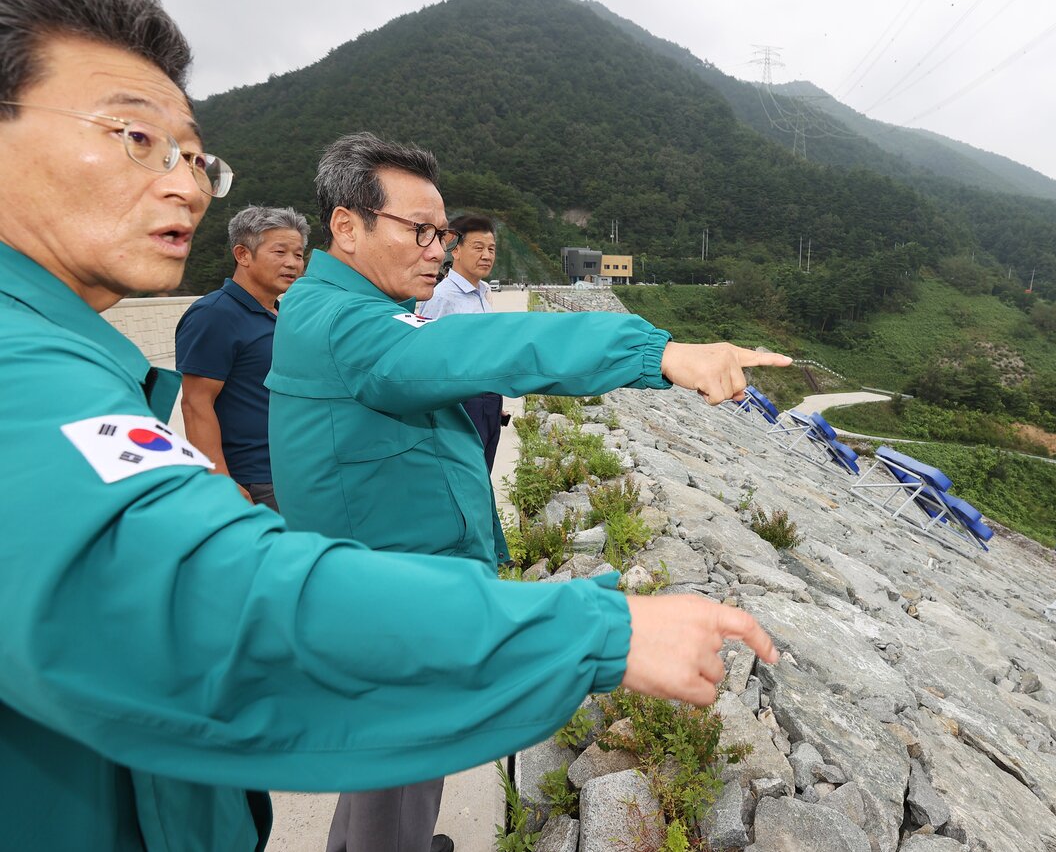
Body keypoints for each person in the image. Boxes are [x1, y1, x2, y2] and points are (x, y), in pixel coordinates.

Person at [0, 0, 783, 852]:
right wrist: (599, 622)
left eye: (192, 155)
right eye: (137, 138)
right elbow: (203, 594)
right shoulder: (319, 325)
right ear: (346, 227)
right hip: (382, 591)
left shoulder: (90, 345)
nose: (184, 184)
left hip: (391, 593)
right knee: (391, 784)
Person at [268, 132, 789, 852]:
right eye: (419, 231)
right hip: (395, 603)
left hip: (398, 582)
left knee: (389, 771)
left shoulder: (344, 306)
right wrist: (657, 353)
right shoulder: (341, 322)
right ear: (347, 226)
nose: (438, 250)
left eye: (442, 234)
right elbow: (480, 348)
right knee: (397, 770)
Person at [175, 205, 308, 509]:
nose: (292, 263)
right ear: (243, 254)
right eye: (280, 252)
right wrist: (219, 479)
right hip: (255, 479)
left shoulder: (282, 313)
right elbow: (196, 403)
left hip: (292, 470)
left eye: (299, 254)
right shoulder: (214, 314)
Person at [418, 214, 506, 471]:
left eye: (491, 249)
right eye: (478, 247)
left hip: (489, 399)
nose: (487, 255)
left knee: (483, 474)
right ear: (455, 250)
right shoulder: (441, 297)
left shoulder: (483, 292)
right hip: (461, 403)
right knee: (464, 474)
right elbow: (426, 357)